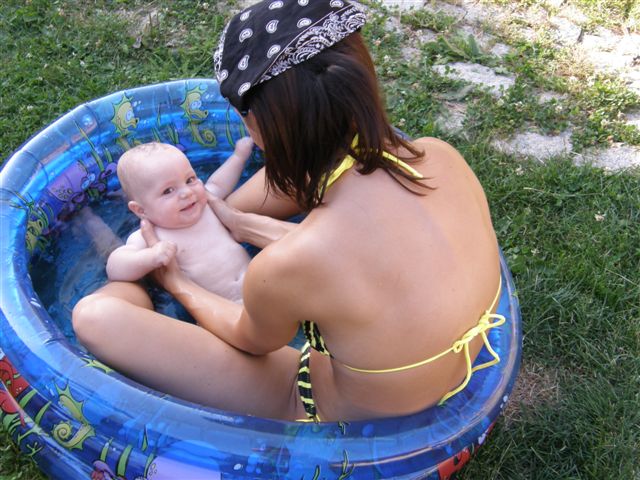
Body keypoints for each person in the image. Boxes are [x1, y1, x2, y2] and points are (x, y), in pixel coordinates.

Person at [73, 0, 503, 422]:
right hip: (451, 373)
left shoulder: (288, 264)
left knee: (97, 317)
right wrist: (240, 224)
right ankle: (216, 222)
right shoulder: (441, 156)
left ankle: (134, 282)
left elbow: (252, 338)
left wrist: (175, 281)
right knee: (233, 208)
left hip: (333, 408)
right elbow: (360, 255)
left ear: (261, 128)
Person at [105, 140, 254, 303]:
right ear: (141, 210)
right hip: (224, 307)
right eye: (168, 191)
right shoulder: (151, 235)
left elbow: (217, 183)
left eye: (190, 180)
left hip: (260, 285)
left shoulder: (205, 204)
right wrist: (150, 257)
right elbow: (115, 267)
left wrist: (239, 156)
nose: (187, 192)